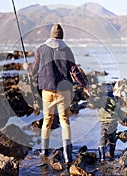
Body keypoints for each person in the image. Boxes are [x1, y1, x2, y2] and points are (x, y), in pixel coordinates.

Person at [24, 24, 89, 167]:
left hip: (47, 91)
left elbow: (33, 71)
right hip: (64, 91)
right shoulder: (67, 49)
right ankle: (67, 156)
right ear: (62, 36)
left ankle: (44, 153)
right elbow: (74, 71)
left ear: (51, 35)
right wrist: (84, 85)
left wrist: (26, 67)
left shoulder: (41, 49)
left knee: (47, 121)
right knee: (65, 121)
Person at [88, 83, 126, 161]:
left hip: (105, 123)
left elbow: (94, 104)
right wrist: (123, 119)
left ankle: (102, 158)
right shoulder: (115, 100)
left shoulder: (101, 100)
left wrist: (89, 97)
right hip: (114, 123)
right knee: (112, 138)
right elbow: (119, 111)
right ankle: (112, 154)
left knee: (103, 139)